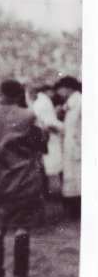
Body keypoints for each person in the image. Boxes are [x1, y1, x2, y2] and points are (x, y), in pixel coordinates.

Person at [0, 80, 45, 277]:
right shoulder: (29, 116)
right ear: (19, 95)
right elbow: (41, 144)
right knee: (22, 228)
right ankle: (20, 276)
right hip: (24, 180)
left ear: (1, 94)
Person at [55, 76, 81, 220]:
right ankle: (74, 210)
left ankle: (78, 211)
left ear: (68, 88)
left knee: (78, 178)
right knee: (72, 178)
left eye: (61, 88)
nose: (59, 92)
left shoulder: (80, 101)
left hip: (78, 146)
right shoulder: (70, 102)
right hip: (70, 145)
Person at [30, 84, 64, 198]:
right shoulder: (42, 102)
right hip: (43, 136)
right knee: (46, 165)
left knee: (48, 164)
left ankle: (47, 192)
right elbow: (48, 121)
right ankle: (46, 192)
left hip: (45, 135)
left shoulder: (41, 102)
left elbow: (48, 120)